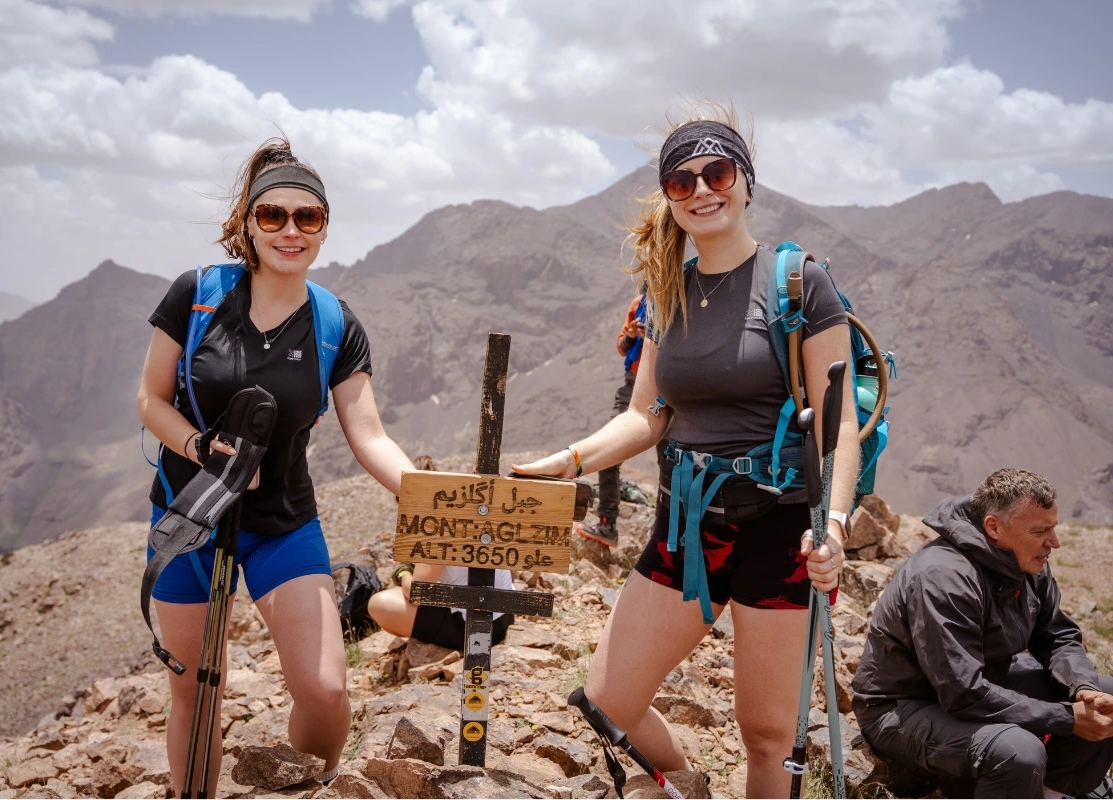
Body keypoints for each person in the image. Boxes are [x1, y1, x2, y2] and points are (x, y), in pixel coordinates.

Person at [513, 106, 860, 796]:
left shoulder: (798, 282)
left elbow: (839, 423)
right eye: (683, 181)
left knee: (767, 736)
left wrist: (840, 527)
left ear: (745, 182)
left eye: (718, 172)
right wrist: (572, 460)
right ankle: (684, 785)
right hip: (685, 524)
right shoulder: (664, 292)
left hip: (782, 527)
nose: (702, 189)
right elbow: (648, 416)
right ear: (670, 198)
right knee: (608, 698)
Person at [137, 137, 416, 791]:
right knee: (199, 691)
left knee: (324, 690)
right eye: (273, 216)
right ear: (248, 223)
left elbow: (368, 433)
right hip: (190, 516)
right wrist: (198, 447)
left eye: (307, 217)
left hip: (281, 522)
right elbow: (150, 399)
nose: (291, 230)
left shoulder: (333, 323)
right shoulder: (196, 295)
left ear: (322, 227)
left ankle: (304, 787)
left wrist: (436, 495)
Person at [852, 469, 1113, 798]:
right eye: (1040, 531)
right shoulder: (943, 576)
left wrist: (1084, 689)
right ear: (994, 527)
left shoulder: (1027, 562)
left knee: (1106, 697)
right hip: (904, 707)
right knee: (1020, 752)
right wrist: (1065, 718)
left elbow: (1057, 637)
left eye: (1054, 528)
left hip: (981, 684)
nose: (1054, 543)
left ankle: (1051, 792)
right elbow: (962, 692)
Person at [367, 455, 515, 649]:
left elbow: (417, 594)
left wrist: (402, 570)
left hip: (477, 628)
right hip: (505, 615)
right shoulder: (464, 506)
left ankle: (438, 645)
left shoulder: (433, 524)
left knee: (379, 604)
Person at [579, 293, 667, 548]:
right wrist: (632, 334)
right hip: (632, 385)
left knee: (670, 462)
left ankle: (665, 533)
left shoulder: (682, 298)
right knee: (610, 452)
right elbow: (621, 346)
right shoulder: (639, 303)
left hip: (666, 387)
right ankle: (607, 524)